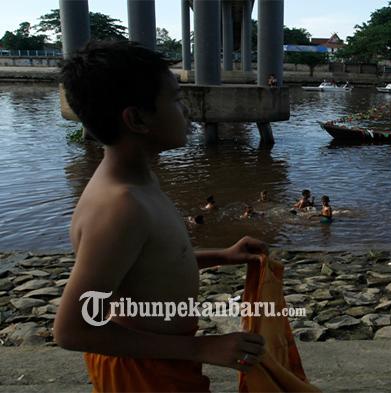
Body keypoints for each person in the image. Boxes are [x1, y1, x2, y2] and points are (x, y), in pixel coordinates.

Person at [53, 40, 267, 392]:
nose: (187, 112)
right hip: (140, 371)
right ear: (136, 119)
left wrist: (221, 256)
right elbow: (73, 330)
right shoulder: (120, 206)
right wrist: (198, 347)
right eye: (176, 100)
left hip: (162, 358)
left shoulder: (140, 180)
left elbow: (149, 266)